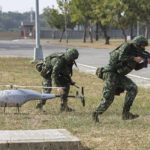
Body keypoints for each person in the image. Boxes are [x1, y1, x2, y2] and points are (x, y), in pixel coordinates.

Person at [93, 35, 150, 122]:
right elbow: (121, 57)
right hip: (110, 73)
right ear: (138, 44)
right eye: (143, 46)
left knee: (132, 88)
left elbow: (136, 67)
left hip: (119, 75)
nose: (144, 48)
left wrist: (145, 62)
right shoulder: (127, 46)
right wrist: (134, 58)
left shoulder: (136, 53)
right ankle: (95, 114)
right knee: (108, 98)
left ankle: (126, 114)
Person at [36, 48, 79, 112]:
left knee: (66, 86)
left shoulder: (69, 60)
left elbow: (66, 71)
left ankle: (64, 106)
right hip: (48, 73)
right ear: (69, 57)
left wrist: (69, 80)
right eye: (72, 58)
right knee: (47, 89)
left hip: (58, 73)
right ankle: (39, 106)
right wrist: (58, 87)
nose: (73, 60)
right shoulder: (59, 61)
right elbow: (54, 75)